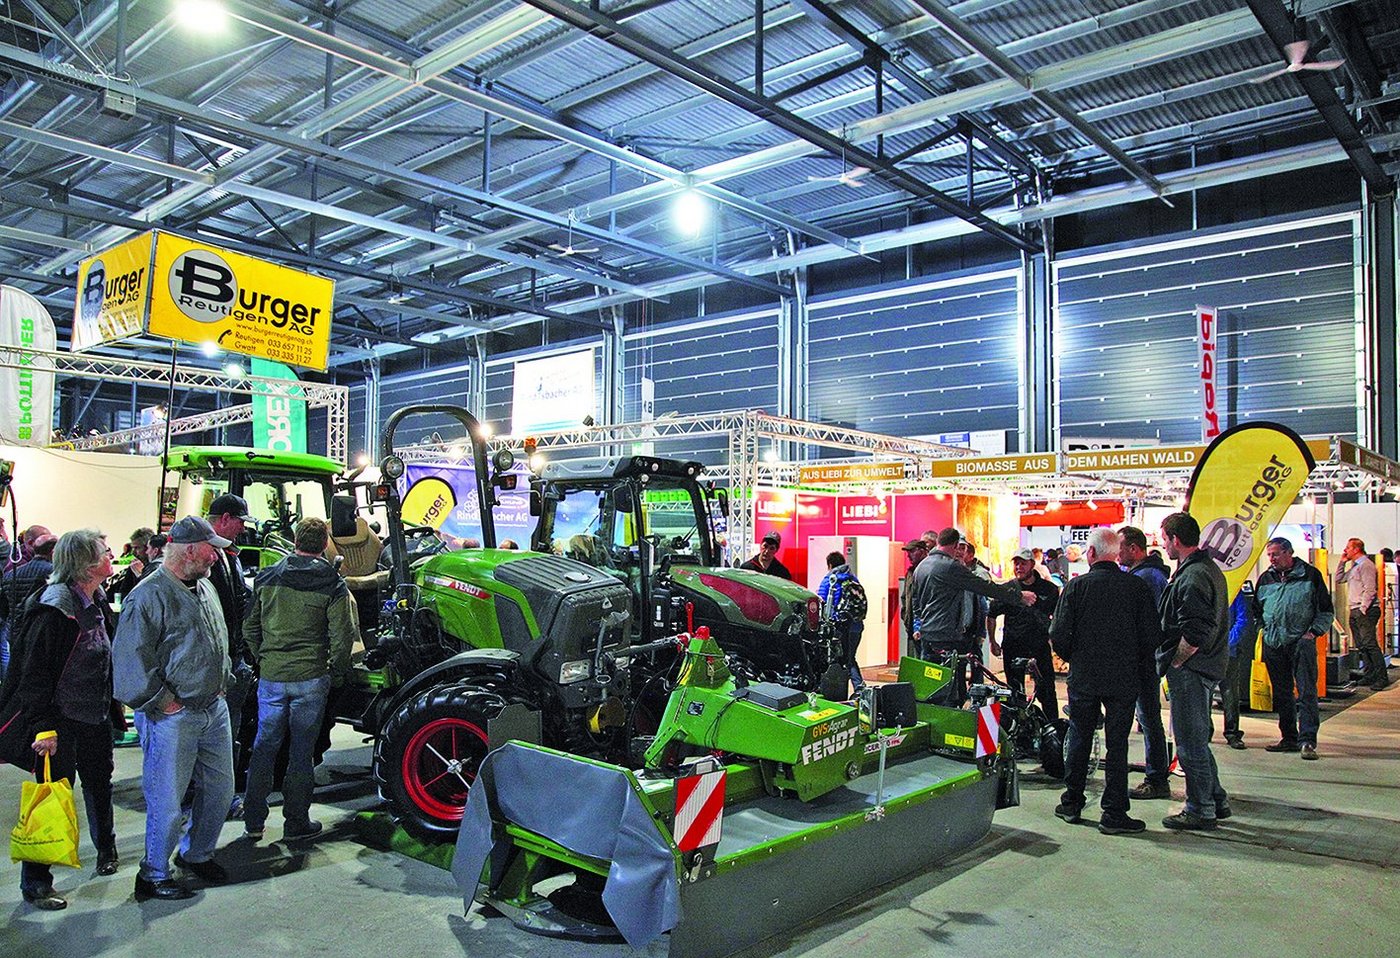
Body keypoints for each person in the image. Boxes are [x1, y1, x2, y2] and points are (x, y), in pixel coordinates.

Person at [112, 515, 235, 901]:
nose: (216, 556)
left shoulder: (205, 587)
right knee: (167, 798)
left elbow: (215, 639)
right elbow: (130, 659)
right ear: (188, 550)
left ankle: (196, 853)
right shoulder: (148, 595)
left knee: (220, 789)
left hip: (213, 708)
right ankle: (152, 872)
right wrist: (163, 701)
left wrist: (223, 682)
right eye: (210, 549)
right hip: (173, 715)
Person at [0, 530, 118, 909]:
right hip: (60, 720)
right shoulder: (55, 609)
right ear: (85, 565)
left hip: (94, 714)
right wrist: (42, 727)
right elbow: (32, 676)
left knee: (100, 784)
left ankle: (106, 850)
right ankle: (35, 882)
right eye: (103, 552)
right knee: (53, 794)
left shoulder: (95, 598)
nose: (111, 555)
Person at [241, 518, 355, 842]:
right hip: (311, 679)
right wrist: (338, 671)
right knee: (301, 753)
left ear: (295, 542)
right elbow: (342, 636)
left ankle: (253, 822)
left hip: (273, 677)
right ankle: (296, 823)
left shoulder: (267, 576)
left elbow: (249, 627)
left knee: (263, 747)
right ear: (323, 546)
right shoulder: (332, 583)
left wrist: (264, 658)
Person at [1049, 529, 1160, 835]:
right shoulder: (1136, 588)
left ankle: (1071, 802)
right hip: (1123, 678)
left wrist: (1076, 657)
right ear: (1116, 552)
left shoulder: (1076, 587)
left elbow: (1058, 634)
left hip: (1084, 676)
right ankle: (1113, 812)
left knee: (1080, 738)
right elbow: (1151, 636)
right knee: (1118, 745)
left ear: (1092, 554)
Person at [1158, 512, 1231, 830]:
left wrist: (1176, 660)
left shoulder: (1193, 576)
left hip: (1192, 669)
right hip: (1204, 666)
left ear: (1175, 539)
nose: (1163, 546)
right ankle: (1216, 799)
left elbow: (1196, 630)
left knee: (1189, 741)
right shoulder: (1205, 569)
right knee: (1197, 737)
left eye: (1164, 539)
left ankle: (1200, 808)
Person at [910, 528, 1034, 705]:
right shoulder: (950, 567)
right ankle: (949, 726)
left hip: (927, 636)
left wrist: (918, 624)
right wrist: (1019, 596)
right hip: (948, 638)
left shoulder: (922, 566)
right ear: (953, 546)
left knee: (929, 685)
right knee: (953, 690)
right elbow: (984, 587)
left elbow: (915, 600)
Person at [1252, 536, 1331, 760]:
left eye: (1275, 554)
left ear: (1289, 553)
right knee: (1282, 693)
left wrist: (1312, 633)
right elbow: (1257, 610)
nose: (1272, 559)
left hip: (1301, 643)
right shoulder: (1265, 578)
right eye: (1269, 555)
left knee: (1307, 692)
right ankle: (1288, 737)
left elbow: (1325, 610)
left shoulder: (1310, 576)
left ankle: (1307, 741)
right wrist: (1263, 631)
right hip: (1273, 643)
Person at [206, 494, 255, 813]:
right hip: (214, 661)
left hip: (232, 656)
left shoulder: (230, 557)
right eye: (239, 522)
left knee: (230, 732)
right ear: (224, 519)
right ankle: (204, 797)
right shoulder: (205, 558)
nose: (242, 529)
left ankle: (223, 795)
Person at [1117, 526, 1173, 801]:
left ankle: (1156, 778)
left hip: (1144, 660)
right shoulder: (1145, 574)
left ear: (1133, 548)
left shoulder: (1147, 578)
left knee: (1149, 718)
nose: (1116, 553)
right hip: (1144, 658)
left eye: (1120, 546)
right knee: (1148, 718)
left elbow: (1150, 623)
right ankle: (1156, 774)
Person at [987, 549, 1061, 722]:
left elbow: (1058, 618)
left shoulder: (1049, 589)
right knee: (1014, 692)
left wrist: (1056, 640)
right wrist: (992, 641)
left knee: (1047, 690)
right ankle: (1018, 729)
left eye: (1023, 563)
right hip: (1013, 646)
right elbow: (991, 615)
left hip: (1039, 647)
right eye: (1016, 563)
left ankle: (1053, 728)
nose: (1019, 567)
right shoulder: (1007, 589)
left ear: (1032, 565)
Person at [0, 532, 57, 679]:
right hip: (39, 631)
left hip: (14, 629)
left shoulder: (10, 574)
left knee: (15, 672)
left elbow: (4, 607)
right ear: (53, 551)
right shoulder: (53, 574)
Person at [1337, 537, 1387, 690]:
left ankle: (1381, 677)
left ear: (1356, 549)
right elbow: (1339, 579)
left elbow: (1370, 589)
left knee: (1370, 644)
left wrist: (1363, 608)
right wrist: (1342, 562)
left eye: (1348, 547)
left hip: (1365, 609)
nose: (1345, 550)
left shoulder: (1366, 565)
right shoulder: (1354, 566)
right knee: (1361, 645)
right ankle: (1369, 673)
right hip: (1355, 608)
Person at [817, 551, 866, 695]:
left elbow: (821, 602)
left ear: (830, 565)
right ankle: (859, 688)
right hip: (857, 625)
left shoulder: (829, 579)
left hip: (839, 627)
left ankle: (855, 689)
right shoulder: (853, 579)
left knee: (839, 659)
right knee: (849, 658)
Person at [1221, 581, 1257, 749]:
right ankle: (1205, 731)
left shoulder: (1235, 592)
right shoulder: (1205, 588)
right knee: (1204, 695)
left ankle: (1232, 732)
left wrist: (1227, 643)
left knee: (1230, 694)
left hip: (1229, 652)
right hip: (1207, 652)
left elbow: (1243, 620)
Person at [899, 539, 930, 651]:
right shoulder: (910, 573)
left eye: (912, 551)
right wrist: (905, 616)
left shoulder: (930, 571)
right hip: (911, 626)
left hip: (928, 627)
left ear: (922, 551)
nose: (908, 556)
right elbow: (905, 597)